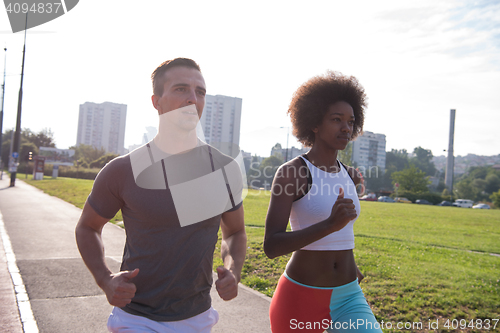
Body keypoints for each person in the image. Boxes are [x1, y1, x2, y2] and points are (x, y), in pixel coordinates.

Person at [75, 58, 247, 333]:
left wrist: (234, 271)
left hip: (199, 318)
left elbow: (235, 233)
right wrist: (105, 279)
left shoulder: (224, 169)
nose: (192, 99)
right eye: (181, 89)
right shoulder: (122, 170)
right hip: (136, 318)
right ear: (156, 101)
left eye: (199, 92)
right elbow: (87, 227)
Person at [264, 71, 382, 332]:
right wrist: (329, 225)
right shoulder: (292, 173)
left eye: (351, 121)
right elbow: (271, 245)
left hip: (349, 295)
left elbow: (342, 234)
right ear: (314, 123)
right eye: (336, 120)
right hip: (301, 297)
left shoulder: (350, 175)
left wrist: (350, 264)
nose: (346, 128)